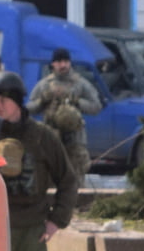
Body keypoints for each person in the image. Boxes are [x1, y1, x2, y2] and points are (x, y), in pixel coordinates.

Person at [0, 71, 77, 251]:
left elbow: (68, 180)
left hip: (30, 229)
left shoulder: (42, 137)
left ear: (17, 102)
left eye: (2, 100)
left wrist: (56, 221)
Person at [27, 48, 101, 181]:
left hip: (75, 140)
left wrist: (77, 101)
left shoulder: (80, 83)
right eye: (59, 61)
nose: (63, 65)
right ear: (53, 64)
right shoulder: (44, 85)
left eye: (66, 61)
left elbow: (96, 106)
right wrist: (42, 100)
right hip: (51, 140)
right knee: (49, 180)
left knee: (75, 180)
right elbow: (29, 108)